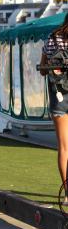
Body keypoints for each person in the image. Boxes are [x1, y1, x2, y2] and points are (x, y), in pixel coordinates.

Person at [39, 13, 68, 204]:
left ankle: (67, 193)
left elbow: (42, 69)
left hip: (59, 95)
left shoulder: (52, 38)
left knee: (64, 148)